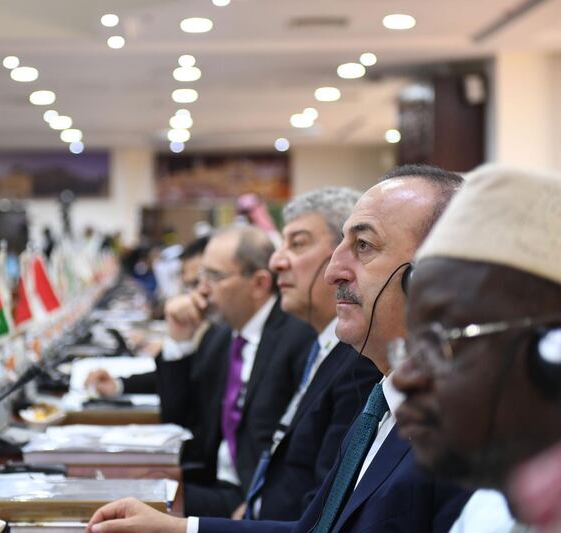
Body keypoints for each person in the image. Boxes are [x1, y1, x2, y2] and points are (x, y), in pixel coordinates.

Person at [86, 164, 472, 533]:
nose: (332, 271)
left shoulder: (467, 439)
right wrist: (180, 529)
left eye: (364, 246)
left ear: (434, 277)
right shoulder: (382, 400)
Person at [390, 165, 561, 532]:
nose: (404, 378)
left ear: (552, 353)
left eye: (443, 339)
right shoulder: (488, 510)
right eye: (413, 344)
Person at [237, 187, 381, 521]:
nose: (277, 261)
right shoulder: (315, 343)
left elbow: (319, 516)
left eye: (298, 244)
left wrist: (190, 528)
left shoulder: (362, 362)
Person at [156, 225, 315, 518]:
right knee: (135, 491)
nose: (202, 289)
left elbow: (304, 451)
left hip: (256, 497)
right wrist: (178, 342)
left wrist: (260, 502)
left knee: (138, 503)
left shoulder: (299, 338)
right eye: (202, 276)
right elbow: (178, 422)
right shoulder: (221, 337)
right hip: (212, 482)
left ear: (259, 283)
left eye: (214, 277)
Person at [85, 235, 211, 397]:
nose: (198, 293)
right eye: (189, 286)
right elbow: (180, 382)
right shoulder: (214, 334)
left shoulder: (225, 336)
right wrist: (119, 384)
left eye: (209, 280)